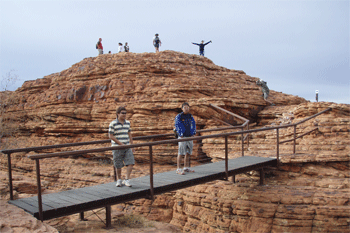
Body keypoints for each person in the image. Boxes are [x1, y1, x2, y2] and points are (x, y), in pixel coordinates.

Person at [108, 106, 135, 187]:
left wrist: (132, 145)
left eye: (125, 113)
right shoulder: (113, 123)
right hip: (117, 147)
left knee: (131, 162)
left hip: (127, 146)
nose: (124, 114)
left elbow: (129, 134)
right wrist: (120, 144)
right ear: (118, 114)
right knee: (118, 164)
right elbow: (111, 136)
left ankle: (127, 179)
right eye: (123, 113)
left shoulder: (128, 123)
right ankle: (119, 180)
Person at [174, 102, 196, 175]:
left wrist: (193, 133)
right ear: (182, 108)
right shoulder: (179, 116)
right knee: (180, 153)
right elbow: (178, 125)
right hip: (182, 137)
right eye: (185, 107)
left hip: (189, 137)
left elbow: (193, 124)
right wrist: (181, 134)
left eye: (187, 107)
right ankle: (178, 169)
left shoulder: (190, 116)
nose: (186, 108)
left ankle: (186, 168)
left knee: (188, 152)